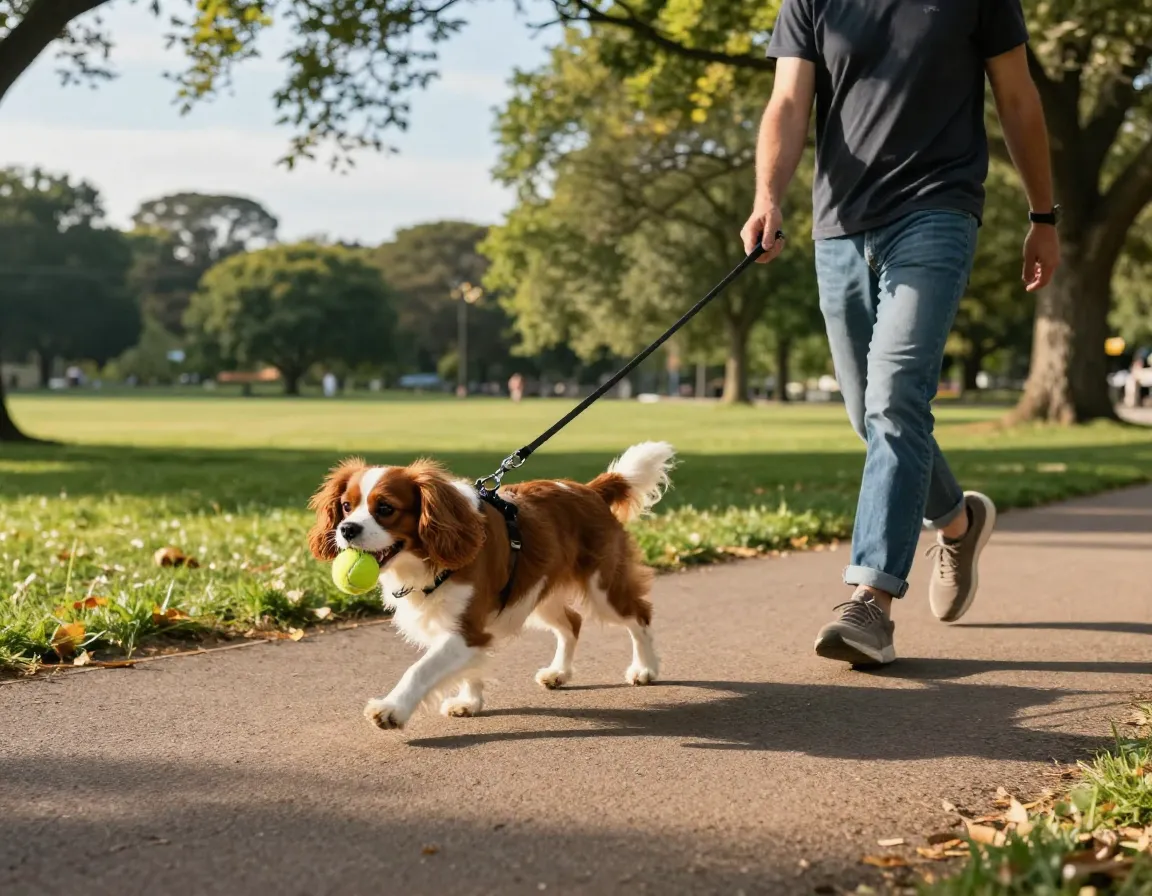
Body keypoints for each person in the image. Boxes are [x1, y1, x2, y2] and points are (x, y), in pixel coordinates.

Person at [742, 0, 1061, 665]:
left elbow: (1018, 98)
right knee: (869, 411)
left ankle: (870, 602)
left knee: (894, 398)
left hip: (937, 210)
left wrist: (1043, 215)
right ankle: (957, 521)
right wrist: (768, 195)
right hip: (837, 224)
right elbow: (788, 103)